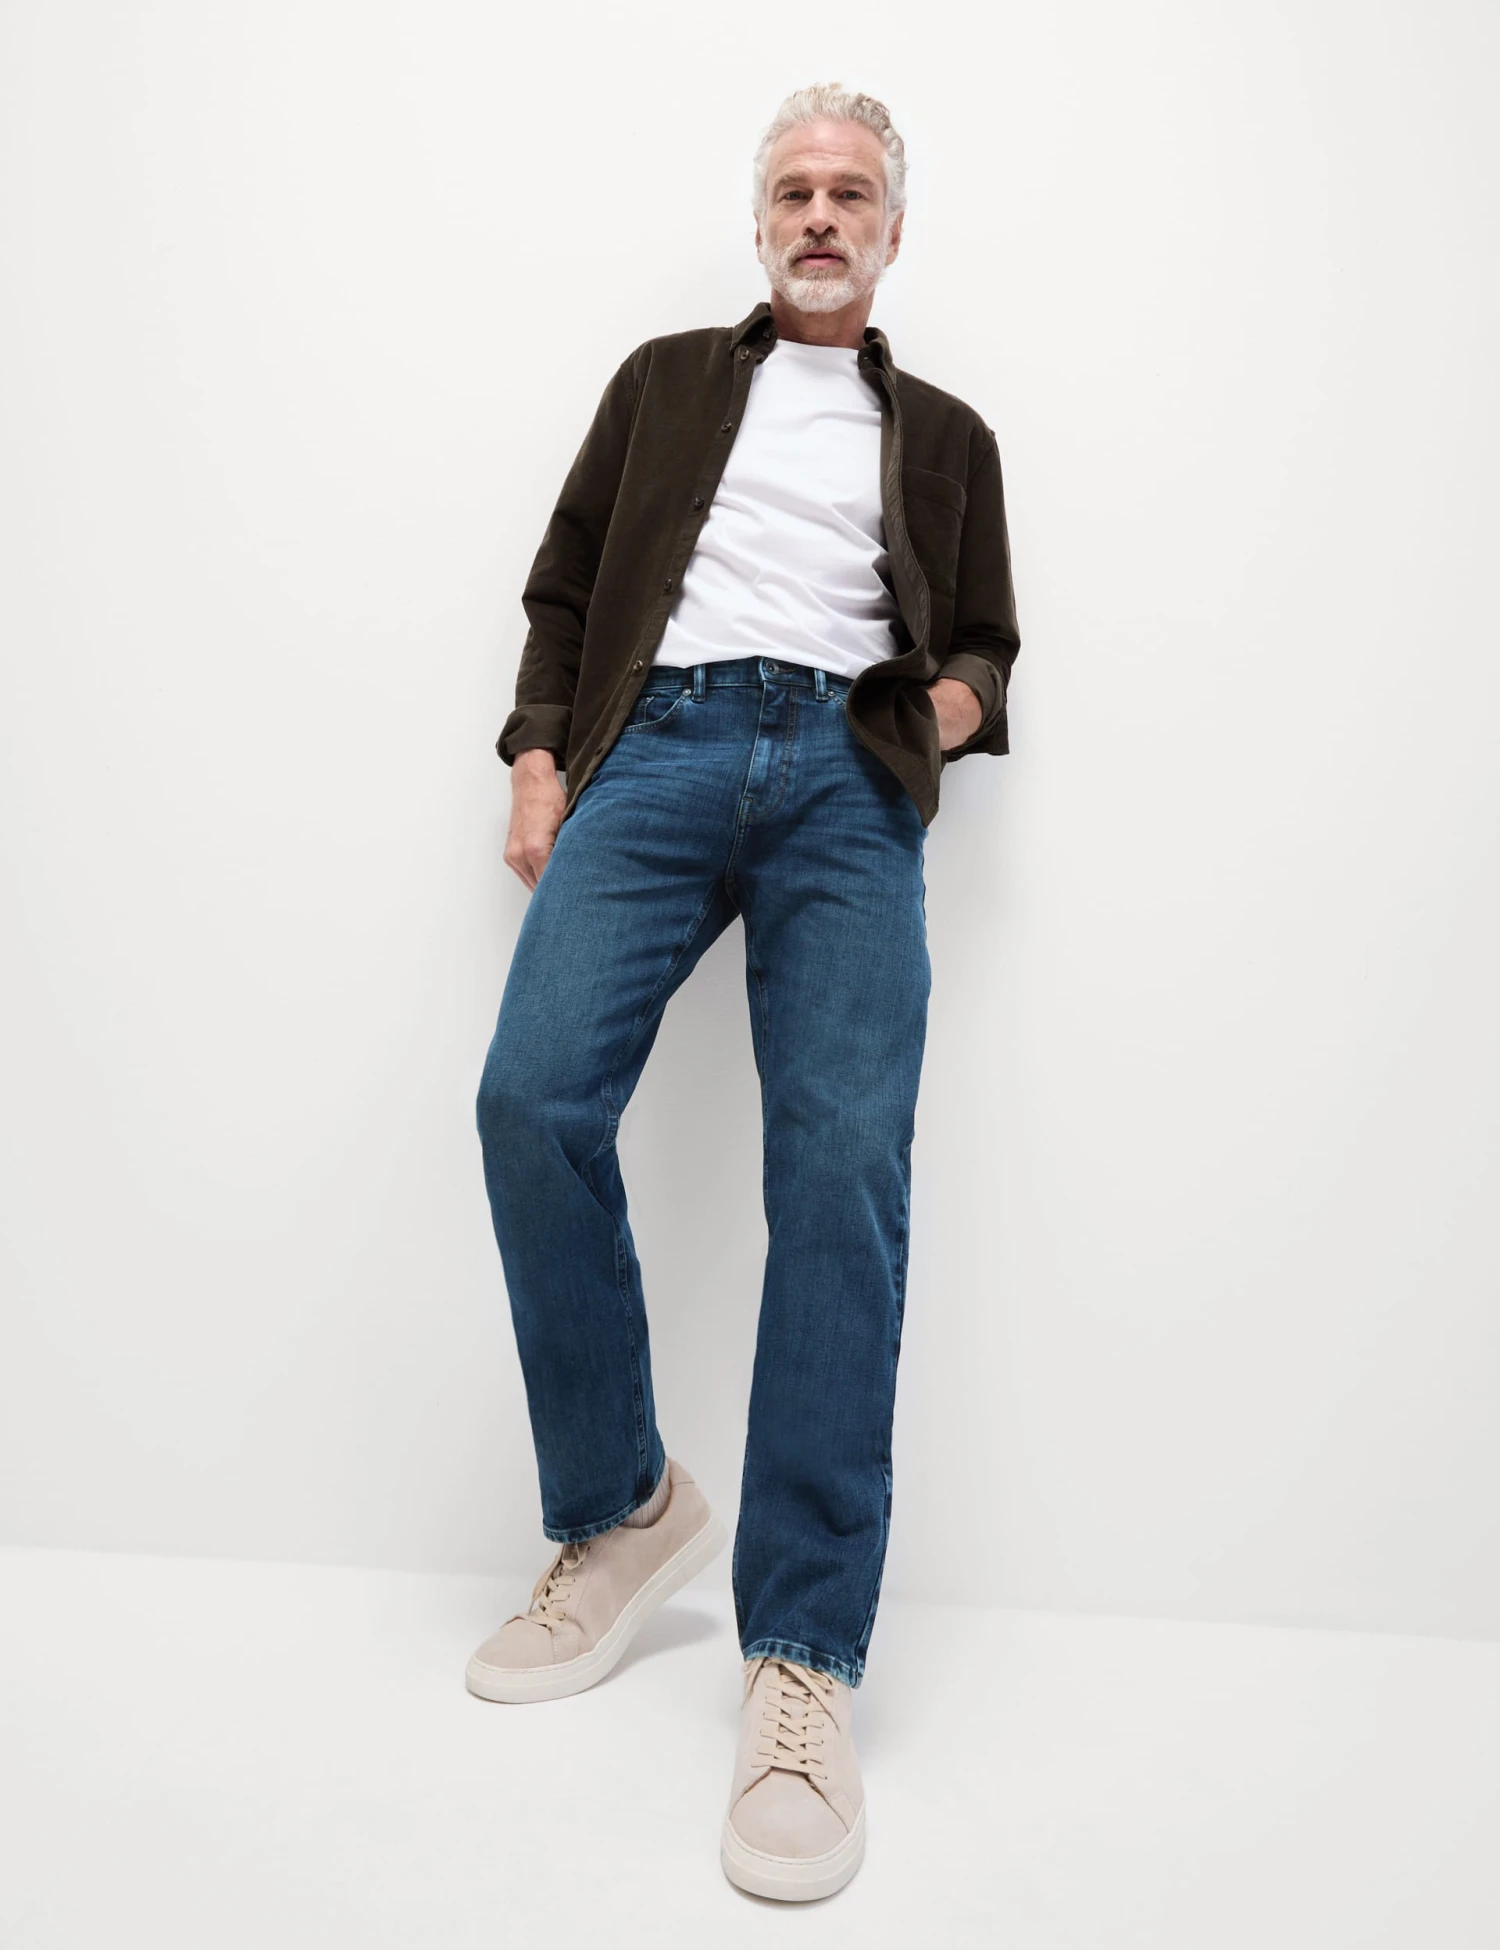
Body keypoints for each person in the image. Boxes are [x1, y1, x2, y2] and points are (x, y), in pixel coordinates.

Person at [469, 81, 1021, 1902]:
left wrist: (926, 717)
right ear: (761, 219)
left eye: (850, 191)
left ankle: (801, 1655)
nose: (819, 213)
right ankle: (624, 1507)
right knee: (532, 1098)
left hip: (848, 779)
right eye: (793, 189)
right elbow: (566, 586)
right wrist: (540, 758)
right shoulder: (661, 383)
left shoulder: (946, 435)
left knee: (842, 1169)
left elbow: (987, 643)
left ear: (892, 229)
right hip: (664, 747)